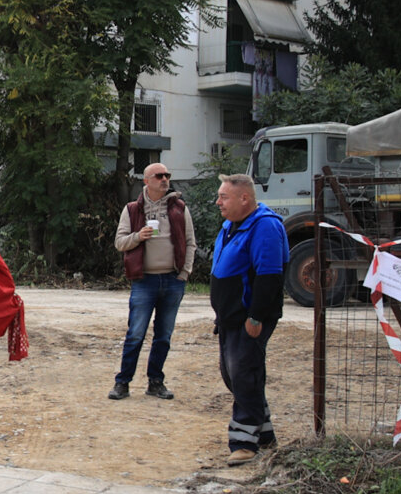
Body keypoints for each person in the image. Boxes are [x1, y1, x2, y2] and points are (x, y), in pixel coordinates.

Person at [210, 173, 289, 467]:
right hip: (230, 318)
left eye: (224, 197)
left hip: (249, 318)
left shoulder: (265, 226)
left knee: (244, 375)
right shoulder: (231, 226)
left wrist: (256, 317)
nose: (218, 202)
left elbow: (269, 277)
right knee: (234, 376)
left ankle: (244, 443)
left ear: (245, 198)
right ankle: (265, 436)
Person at [110, 164, 196, 401]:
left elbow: (190, 242)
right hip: (144, 281)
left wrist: (185, 272)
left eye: (168, 175)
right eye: (160, 176)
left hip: (173, 279)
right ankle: (122, 383)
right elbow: (119, 243)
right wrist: (139, 236)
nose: (165, 179)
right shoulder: (133, 209)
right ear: (146, 181)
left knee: (163, 335)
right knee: (135, 334)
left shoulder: (179, 207)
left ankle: (155, 382)